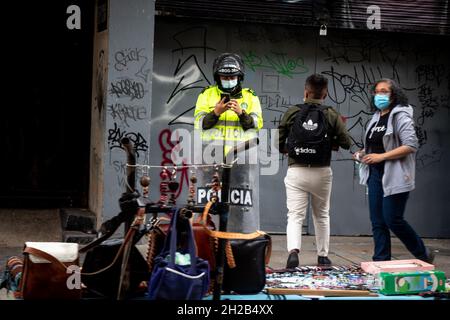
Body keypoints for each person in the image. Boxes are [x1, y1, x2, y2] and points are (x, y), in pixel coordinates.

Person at [354, 78, 434, 263]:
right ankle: (380, 261)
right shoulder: (375, 118)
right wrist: (363, 153)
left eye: (384, 91)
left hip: (395, 174)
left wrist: (381, 157)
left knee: (392, 219)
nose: (379, 95)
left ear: (393, 95)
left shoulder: (400, 116)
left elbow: (411, 145)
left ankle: (423, 254)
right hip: (375, 174)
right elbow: (377, 146)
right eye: (377, 91)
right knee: (377, 222)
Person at [277, 74, 351, 268]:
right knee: (322, 215)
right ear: (325, 93)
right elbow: (346, 142)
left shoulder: (293, 112)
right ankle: (322, 256)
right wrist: (330, 142)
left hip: (297, 170)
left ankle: (293, 252)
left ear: (306, 91)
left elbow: (279, 137)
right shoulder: (331, 113)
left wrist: (285, 150)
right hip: (322, 171)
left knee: (294, 215)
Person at [193, 53, 263, 233]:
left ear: (239, 77)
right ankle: (209, 238)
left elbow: (255, 126)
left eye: (232, 77)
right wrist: (215, 112)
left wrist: (241, 113)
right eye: (225, 77)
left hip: (240, 164)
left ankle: (237, 240)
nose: (229, 80)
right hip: (211, 163)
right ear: (218, 77)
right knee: (209, 206)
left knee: (239, 206)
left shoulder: (250, 97)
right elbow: (200, 124)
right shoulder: (206, 95)